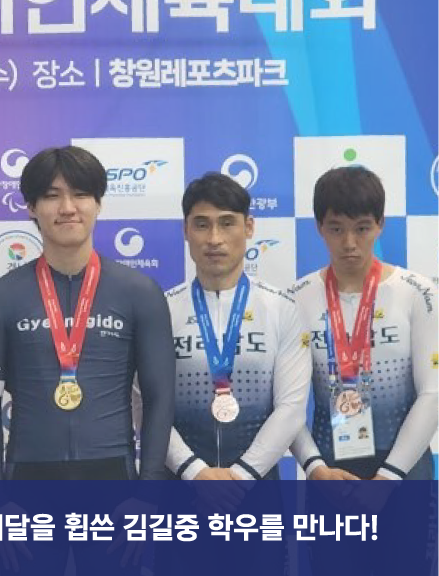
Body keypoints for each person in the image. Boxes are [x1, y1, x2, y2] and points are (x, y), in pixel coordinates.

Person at [0, 145, 175, 575]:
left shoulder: (139, 292)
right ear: (31, 207)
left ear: (98, 202)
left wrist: (148, 495)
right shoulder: (0, 298)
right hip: (27, 490)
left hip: (115, 490)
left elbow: (159, 399)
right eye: (51, 195)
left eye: (80, 194)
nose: (67, 207)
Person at [152, 172, 309, 576]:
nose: (214, 238)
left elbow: (291, 408)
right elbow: (145, 404)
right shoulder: (160, 310)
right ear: (185, 231)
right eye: (201, 224)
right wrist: (195, 472)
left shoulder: (282, 309)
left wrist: (239, 477)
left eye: (227, 223)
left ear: (249, 227)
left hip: (256, 491)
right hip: (180, 489)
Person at [289, 166, 437, 573]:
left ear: (381, 225)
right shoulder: (296, 299)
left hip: (405, 471)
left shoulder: (419, 293)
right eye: (336, 229)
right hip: (330, 475)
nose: (350, 243)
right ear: (319, 227)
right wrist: (314, 467)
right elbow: (285, 402)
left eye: (362, 228)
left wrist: (389, 477)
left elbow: (433, 393)